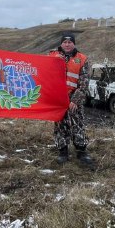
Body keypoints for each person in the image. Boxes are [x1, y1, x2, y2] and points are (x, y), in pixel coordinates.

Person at [49, 34, 93, 166]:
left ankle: (81, 152)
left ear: (74, 44)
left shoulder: (82, 59)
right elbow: (41, 72)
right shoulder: (51, 56)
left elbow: (84, 82)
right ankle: (63, 152)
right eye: (65, 42)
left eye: (70, 42)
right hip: (58, 99)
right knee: (60, 126)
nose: (67, 44)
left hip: (74, 99)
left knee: (78, 125)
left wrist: (76, 100)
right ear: (61, 44)